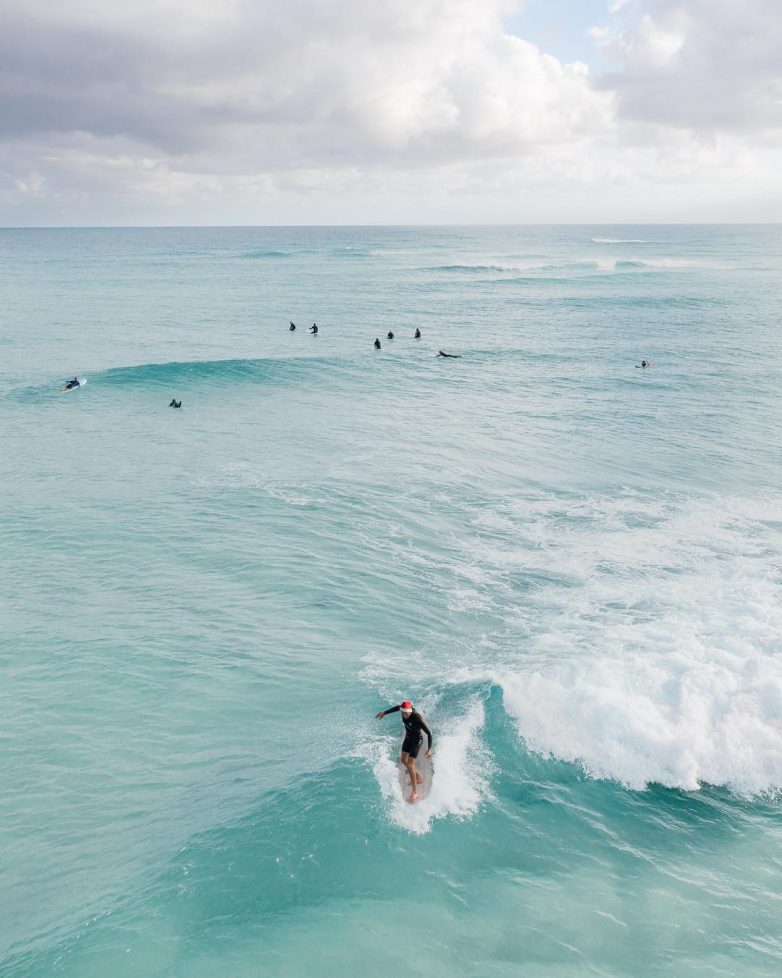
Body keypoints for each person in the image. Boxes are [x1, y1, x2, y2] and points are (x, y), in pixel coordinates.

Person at [375, 700, 432, 803]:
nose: (405, 715)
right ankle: (418, 777)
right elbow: (397, 707)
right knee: (403, 760)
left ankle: (415, 792)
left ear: (410, 711)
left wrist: (429, 749)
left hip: (417, 740)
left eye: (406, 713)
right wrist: (384, 713)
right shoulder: (402, 710)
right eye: (403, 713)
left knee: (410, 764)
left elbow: (428, 733)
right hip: (408, 738)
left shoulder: (417, 717)